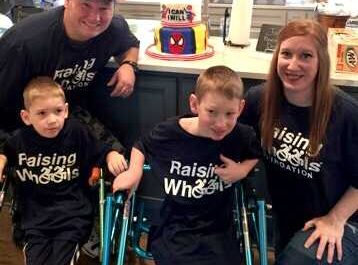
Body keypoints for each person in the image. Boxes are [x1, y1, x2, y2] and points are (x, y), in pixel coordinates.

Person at [112, 65, 262, 265]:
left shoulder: (240, 135)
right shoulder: (171, 133)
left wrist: (241, 170)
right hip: (176, 224)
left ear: (240, 109)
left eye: (229, 114)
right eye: (211, 111)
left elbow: (255, 153)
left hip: (217, 226)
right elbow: (142, 145)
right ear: (194, 104)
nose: (221, 123)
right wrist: (134, 171)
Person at [240, 19, 358, 264]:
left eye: (306, 56)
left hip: (341, 221)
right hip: (288, 220)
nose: (293, 65)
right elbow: (233, 138)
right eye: (286, 54)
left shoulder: (346, 113)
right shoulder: (259, 99)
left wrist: (335, 220)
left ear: (321, 62)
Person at [0, 76, 127, 265]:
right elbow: (5, 151)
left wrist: (112, 155)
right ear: (27, 117)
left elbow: (100, 149)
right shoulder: (21, 140)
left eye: (57, 111)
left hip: (72, 215)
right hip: (34, 218)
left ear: (66, 110)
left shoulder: (76, 132)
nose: (52, 120)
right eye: (42, 113)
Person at [0, 0, 140, 161]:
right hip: (19, 124)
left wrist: (129, 65)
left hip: (71, 115)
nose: (95, 18)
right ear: (66, 2)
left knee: (120, 160)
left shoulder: (113, 28)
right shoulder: (23, 44)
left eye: (103, 8)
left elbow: (130, 44)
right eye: (85, 5)